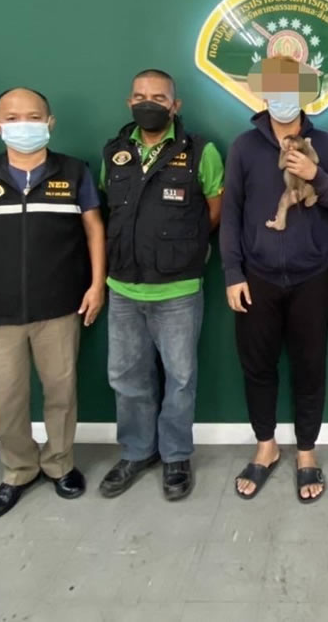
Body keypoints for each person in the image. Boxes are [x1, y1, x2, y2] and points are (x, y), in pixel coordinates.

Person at [0, 87, 105, 520]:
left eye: (33, 117)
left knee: (61, 392)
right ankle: (18, 470)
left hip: (60, 306)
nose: (24, 125)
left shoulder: (74, 171)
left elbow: (94, 230)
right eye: (12, 118)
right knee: (8, 399)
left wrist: (96, 285)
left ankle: (60, 464)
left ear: (49, 123)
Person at [220, 56, 328, 503]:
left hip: (312, 275)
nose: (283, 96)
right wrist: (233, 273)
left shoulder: (327, 144)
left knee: (310, 367)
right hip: (256, 276)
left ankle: (306, 452)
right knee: (257, 367)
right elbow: (231, 214)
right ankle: (266, 447)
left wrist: (317, 176)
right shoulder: (243, 147)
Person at [97, 69, 223, 502]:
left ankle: (175, 456)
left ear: (175, 105)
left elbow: (214, 209)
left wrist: (181, 249)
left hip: (177, 290)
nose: (147, 103)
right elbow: (109, 210)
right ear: (129, 102)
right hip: (123, 288)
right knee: (126, 377)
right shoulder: (114, 152)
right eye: (139, 96)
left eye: (158, 97)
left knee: (180, 378)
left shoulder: (201, 151)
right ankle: (137, 451)